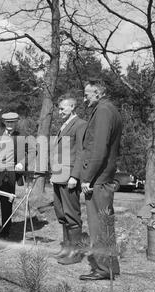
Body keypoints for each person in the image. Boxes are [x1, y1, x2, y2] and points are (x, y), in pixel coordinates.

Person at [79, 79, 122, 281]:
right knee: (105, 223)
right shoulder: (109, 109)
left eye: (87, 93)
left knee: (98, 225)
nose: (84, 97)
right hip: (103, 175)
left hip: (99, 177)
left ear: (97, 92)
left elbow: (99, 149)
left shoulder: (104, 111)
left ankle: (104, 269)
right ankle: (110, 266)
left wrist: (87, 177)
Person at [50, 93, 86, 265]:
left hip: (69, 176)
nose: (60, 111)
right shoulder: (63, 126)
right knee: (61, 213)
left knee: (72, 214)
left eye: (62, 108)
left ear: (72, 106)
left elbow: (81, 152)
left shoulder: (80, 125)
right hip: (58, 176)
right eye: (59, 108)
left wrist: (75, 176)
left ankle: (76, 253)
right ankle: (67, 248)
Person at [0, 112, 25, 239]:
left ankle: (5, 231)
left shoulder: (21, 136)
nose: (10, 124)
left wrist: (22, 163)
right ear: (4, 123)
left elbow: (31, 152)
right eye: (8, 122)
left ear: (16, 122)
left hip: (10, 172)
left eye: (13, 122)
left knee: (7, 202)